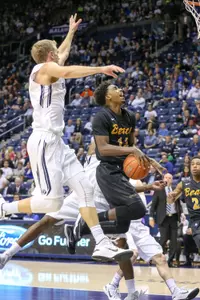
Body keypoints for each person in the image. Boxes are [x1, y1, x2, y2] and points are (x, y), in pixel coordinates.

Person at [0, 14, 132, 262]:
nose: (59, 55)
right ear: (50, 56)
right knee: (50, 203)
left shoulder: (51, 65)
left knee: (85, 190)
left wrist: (71, 32)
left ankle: (102, 243)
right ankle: (4, 208)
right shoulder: (42, 68)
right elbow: (67, 67)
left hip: (57, 142)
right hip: (43, 141)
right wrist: (100, 69)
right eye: (55, 54)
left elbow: (62, 54)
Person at [1, 145, 195, 300]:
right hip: (83, 193)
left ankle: (130, 290)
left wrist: (149, 174)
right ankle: (7, 254)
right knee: (46, 220)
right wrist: (142, 156)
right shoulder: (100, 145)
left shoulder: (121, 169)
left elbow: (130, 176)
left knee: (123, 248)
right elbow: (111, 146)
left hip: (104, 201)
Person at [149, 173, 183, 267]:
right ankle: (158, 259)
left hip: (173, 217)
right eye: (166, 177)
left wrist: (182, 213)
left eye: (170, 178)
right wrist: (151, 217)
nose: (168, 179)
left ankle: (170, 261)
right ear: (163, 179)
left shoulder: (176, 190)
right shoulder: (159, 190)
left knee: (174, 241)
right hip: (163, 218)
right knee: (163, 240)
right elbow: (153, 205)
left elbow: (178, 204)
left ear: (172, 180)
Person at [168, 156, 200, 251]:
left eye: (198, 164)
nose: (195, 166)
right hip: (195, 220)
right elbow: (170, 201)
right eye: (192, 164)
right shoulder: (184, 183)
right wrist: (171, 196)